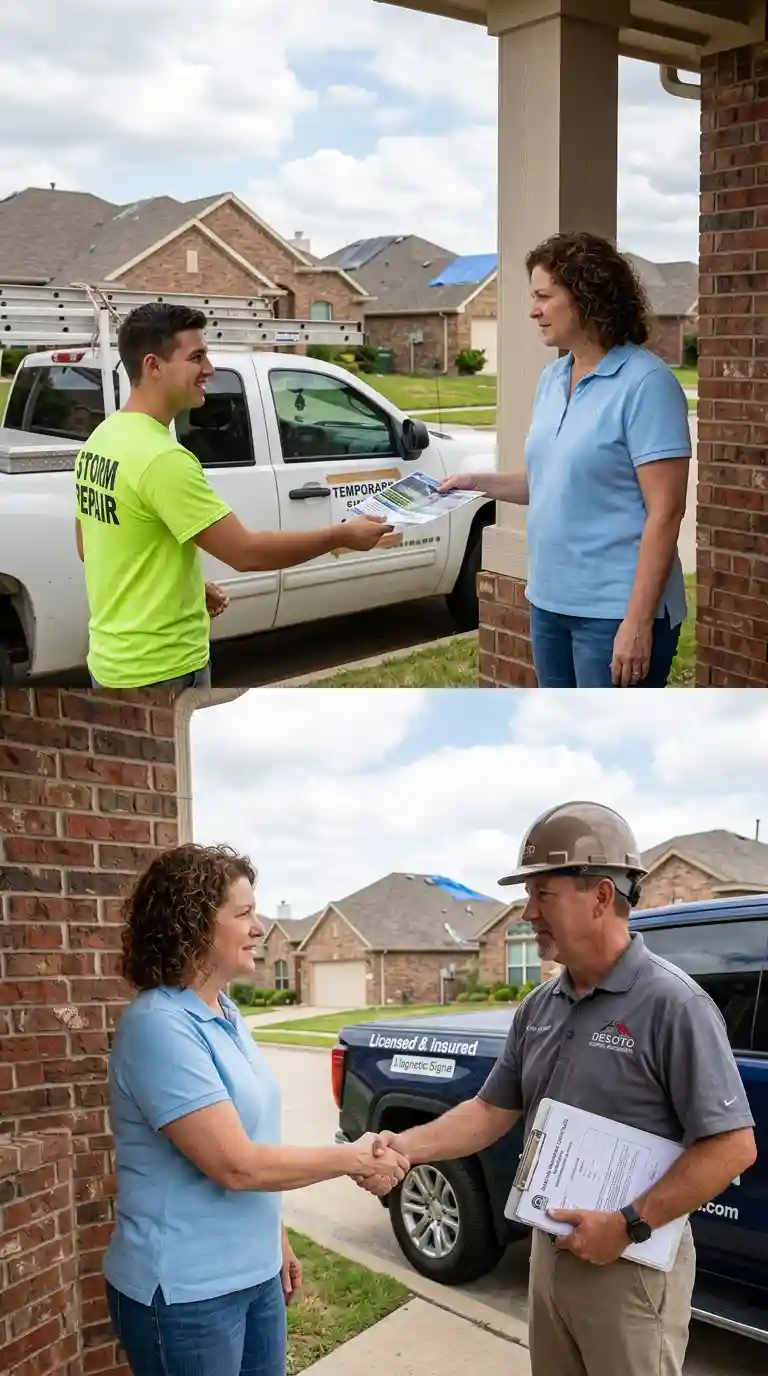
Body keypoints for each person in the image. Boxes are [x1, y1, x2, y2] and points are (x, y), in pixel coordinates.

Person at [360, 801, 757, 1376]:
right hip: (550, 1247)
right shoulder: (540, 1006)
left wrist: (627, 1225)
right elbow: (491, 1110)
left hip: (631, 1266)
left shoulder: (674, 1005)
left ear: (600, 896)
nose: (526, 914)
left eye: (542, 895)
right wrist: (403, 1148)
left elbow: (731, 1147)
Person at [104, 843, 408, 1376]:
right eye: (243, 913)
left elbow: (254, 1141)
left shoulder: (224, 1012)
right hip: (187, 1295)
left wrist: (275, 1240)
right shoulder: (159, 1026)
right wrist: (355, 1158)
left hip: (256, 1276)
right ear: (193, 926)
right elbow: (237, 1165)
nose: (260, 926)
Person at [74, 303, 393, 691]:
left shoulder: (102, 439)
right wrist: (339, 536)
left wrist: (181, 588)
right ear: (154, 366)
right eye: (197, 358)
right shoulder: (162, 458)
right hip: (163, 671)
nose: (209, 370)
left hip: (110, 665)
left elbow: (89, 545)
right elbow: (247, 553)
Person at [440, 233, 691, 688]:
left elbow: (666, 512)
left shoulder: (646, 384)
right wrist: (476, 482)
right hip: (550, 603)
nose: (532, 310)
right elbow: (550, 483)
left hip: (614, 613)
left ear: (587, 296)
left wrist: (636, 624)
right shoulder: (554, 378)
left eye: (543, 296)